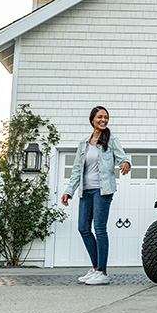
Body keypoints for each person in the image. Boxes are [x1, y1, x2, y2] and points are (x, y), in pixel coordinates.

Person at [61, 106, 131, 285]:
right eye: (100, 117)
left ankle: (103, 272)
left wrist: (125, 164)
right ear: (92, 120)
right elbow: (77, 169)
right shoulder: (84, 143)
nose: (103, 120)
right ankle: (96, 268)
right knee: (83, 228)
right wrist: (69, 191)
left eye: (106, 117)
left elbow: (123, 158)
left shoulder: (111, 140)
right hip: (86, 191)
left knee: (99, 229)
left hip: (103, 191)